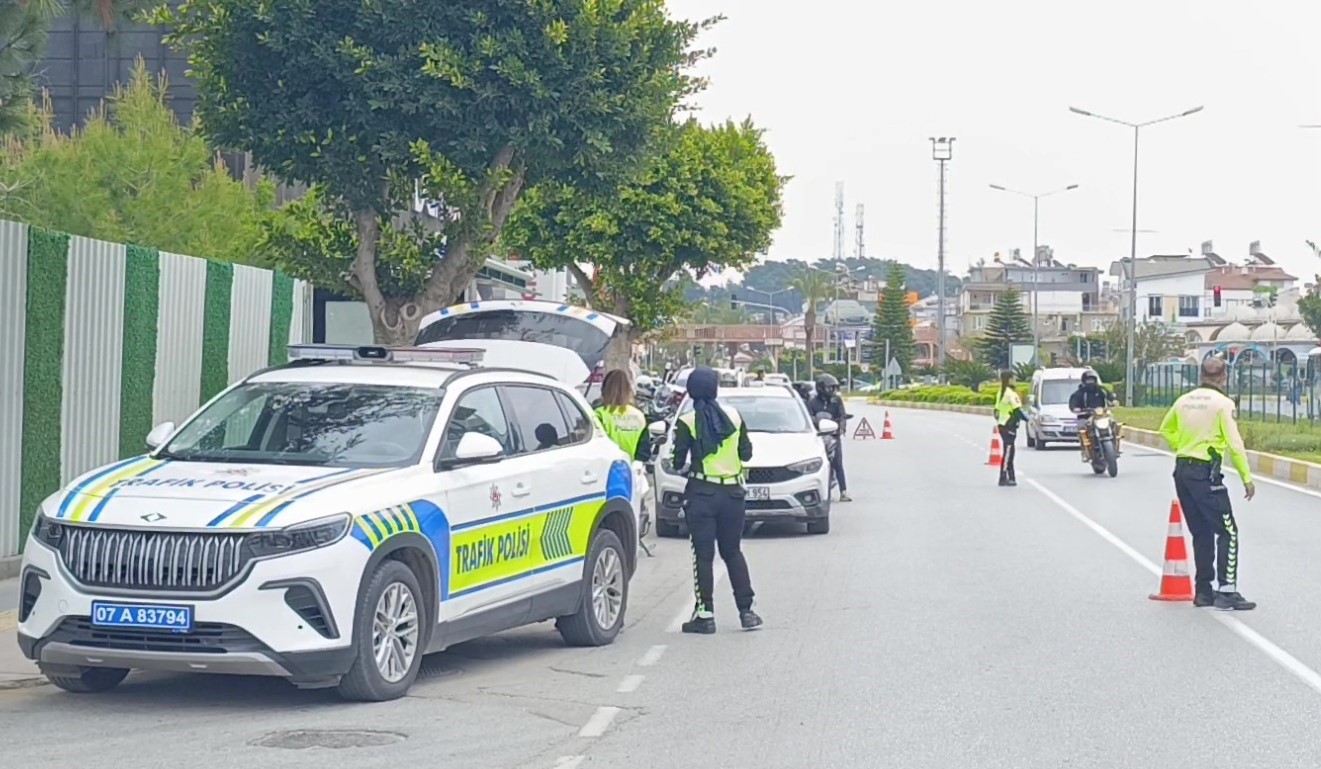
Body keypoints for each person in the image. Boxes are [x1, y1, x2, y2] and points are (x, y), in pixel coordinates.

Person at [1159, 357, 1256, 610]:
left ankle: (1203, 592)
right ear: (1224, 377)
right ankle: (1227, 590)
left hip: (1182, 472)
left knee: (1201, 532)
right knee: (1228, 531)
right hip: (1205, 474)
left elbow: (1165, 429)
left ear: (1201, 375)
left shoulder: (1184, 400)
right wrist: (1246, 477)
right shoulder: (1223, 404)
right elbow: (1235, 444)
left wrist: (1182, 446)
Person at [670, 366, 760, 634]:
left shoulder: (687, 421)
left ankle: (705, 614)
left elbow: (677, 461)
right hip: (733, 494)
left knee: (703, 556)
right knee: (733, 551)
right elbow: (747, 454)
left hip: (701, 494)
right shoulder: (734, 416)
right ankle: (747, 611)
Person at [808, 373, 851, 502]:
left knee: (838, 463)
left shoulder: (836, 401)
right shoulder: (812, 402)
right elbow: (809, 419)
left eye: (833, 388)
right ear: (821, 388)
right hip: (818, 438)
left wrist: (842, 424)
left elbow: (842, 415)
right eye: (829, 388)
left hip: (833, 435)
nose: (831, 390)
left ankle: (843, 491)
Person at [594, 370, 652, 462]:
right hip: (630, 470)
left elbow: (595, 447)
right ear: (628, 390)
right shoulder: (639, 416)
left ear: (604, 389)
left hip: (606, 469)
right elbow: (644, 454)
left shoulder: (599, 414)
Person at [1069, 371, 1117, 460]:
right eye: (1088, 380)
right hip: (1084, 416)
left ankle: (1115, 444)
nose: (1090, 382)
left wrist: (1113, 400)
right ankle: (1084, 450)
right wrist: (1076, 408)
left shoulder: (1101, 390)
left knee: (1114, 422)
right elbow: (1073, 403)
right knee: (1081, 429)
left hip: (1101, 415)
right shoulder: (1079, 393)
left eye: (1092, 380)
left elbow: (1109, 395)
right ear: (1084, 381)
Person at [994, 370, 1024, 487]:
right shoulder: (1010, 394)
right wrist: (1028, 420)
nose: (1015, 380)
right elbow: (1017, 411)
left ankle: (1011, 477)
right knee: (1008, 452)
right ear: (1010, 379)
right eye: (1014, 378)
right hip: (1009, 425)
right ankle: (1003, 476)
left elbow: (996, 411)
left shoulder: (1001, 393)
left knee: (1010, 451)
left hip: (1002, 425)